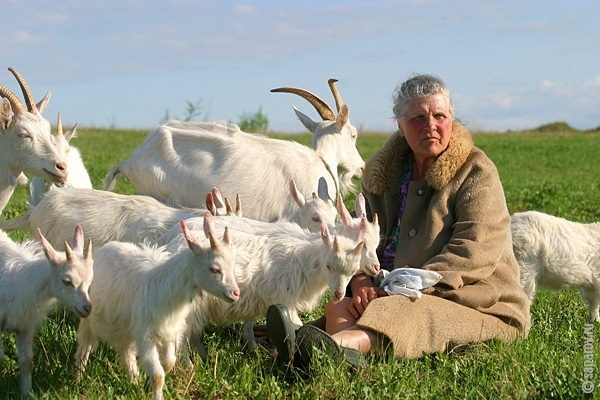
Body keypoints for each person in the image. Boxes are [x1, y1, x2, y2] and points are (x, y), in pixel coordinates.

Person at [266, 73, 531, 368]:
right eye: (418, 118)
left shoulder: (476, 172)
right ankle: (344, 359)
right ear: (401, 126)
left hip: (473, 301)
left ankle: (327, 348)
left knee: (406, 311)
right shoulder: (384, 174)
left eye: (439, 116)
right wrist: (363, 282)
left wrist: (394, 288)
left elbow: (474, 252)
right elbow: (354, 237)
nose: (430, 125)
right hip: (383, 288)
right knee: (338, 306)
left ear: (451, 120)